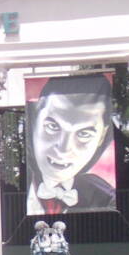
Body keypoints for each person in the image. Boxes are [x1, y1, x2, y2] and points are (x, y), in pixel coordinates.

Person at [25, 74, 116, 215]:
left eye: (84, 134)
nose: (63, 149)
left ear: (102, 137)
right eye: (52, 126)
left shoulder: (106, 198)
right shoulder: (14, 188)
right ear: (35, 120)